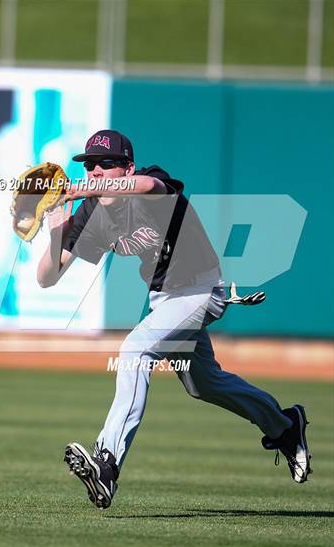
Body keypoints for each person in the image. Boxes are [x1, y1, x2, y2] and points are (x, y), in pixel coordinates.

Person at [37, 130, 312, 509]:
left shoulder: (151, 182)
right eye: (89, 165)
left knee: (134, 350)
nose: (96, 171)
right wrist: (53, 235)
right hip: (165, 300)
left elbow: (149, 185)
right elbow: (47, 278)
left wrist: (81, 190)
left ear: (126, 167)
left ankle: (107, 463)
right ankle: (284, 425)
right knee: (204, 384)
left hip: (202, 289)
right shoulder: (94, 212)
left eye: (105, 164)